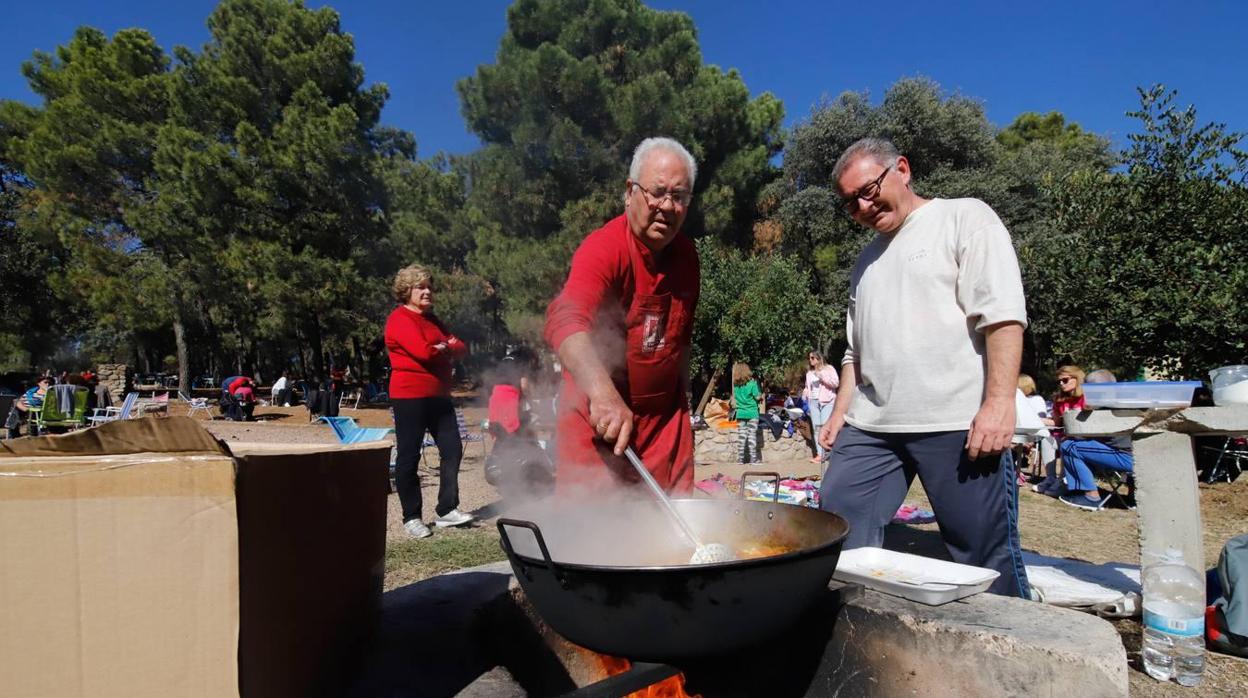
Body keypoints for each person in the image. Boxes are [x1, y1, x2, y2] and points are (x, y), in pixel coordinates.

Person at [817, 137, 1030, 598]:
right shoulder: (865, 262)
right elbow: (855, 352)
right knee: (836, 528)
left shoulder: (964, 217)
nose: (864, 206)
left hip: (956, 422)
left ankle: (1010, 654)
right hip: (872, 426)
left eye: (869, 189)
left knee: (982, 555)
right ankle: (856, 637)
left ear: (903, 170)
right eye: (851, 202)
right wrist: (839, 413)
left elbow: (1003, 316)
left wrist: (998, 403)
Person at [544, 137, 700, 494]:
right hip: (600, 424)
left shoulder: (688, 257)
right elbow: (564, 320)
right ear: (630, 192)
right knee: (595, 538)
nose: (667, 205)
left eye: (679, 196)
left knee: (672, 538)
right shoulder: (604, 248)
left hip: (664, 428)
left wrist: (683, 398)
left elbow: (682, 340)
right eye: (657, 192)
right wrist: (603, 395)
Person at [385, 263, 475, 538]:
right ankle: (411, 517)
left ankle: (447, 509)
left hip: (439, 395)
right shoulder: (399, 319)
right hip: (409, 396)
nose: (427, 292)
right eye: (420, 287)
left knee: (453, 450)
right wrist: (444, 346)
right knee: (409, 456)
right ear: (406, 291)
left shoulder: (433, 320)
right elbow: (424, 352)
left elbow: (461, 348)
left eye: (429, 287)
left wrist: (444, 347)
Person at [1058, 369, 1133, 510]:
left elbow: (1081, 434)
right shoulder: (1128, 402)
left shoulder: (1103, 407)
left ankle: (1090, 497)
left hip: (1126, 458)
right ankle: (1133, 498)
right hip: (1142, 455)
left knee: (1069, 445)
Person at [1030, 365, 1086, 496]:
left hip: (1081, 438)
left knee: (1067, 443)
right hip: (1063, 436)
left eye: (1065, 380)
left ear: (1077, 379)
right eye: (1059, 381)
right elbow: (1056, 423)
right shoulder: (1060, 400)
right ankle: (1050, 478)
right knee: (1046, 438)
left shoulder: (1087, 398)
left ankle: (1062, 481)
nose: (1061, 384)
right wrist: (1034, 419)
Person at [803, 350, 840, 464]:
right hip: (813, 402)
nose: (810, 360)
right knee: (816, 428)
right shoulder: (809, 373)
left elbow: (835, 383)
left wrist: (822, 376)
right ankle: (820, 454)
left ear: (819, 358)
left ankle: (828, 453)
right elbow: (808, 387)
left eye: (813, 358)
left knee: (825, 426)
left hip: (827, 401)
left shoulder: (829, 369)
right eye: (809, 358)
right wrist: (805, 393)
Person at [731, 362, 763, 465]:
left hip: (740, 413)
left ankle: (740, 459)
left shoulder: (735, 385)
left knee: (741, 436)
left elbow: (736, 398)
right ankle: (753, 459)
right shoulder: (752, 383)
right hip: (752, 413)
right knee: (752, 435)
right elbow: (757, 397)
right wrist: (761, 395)